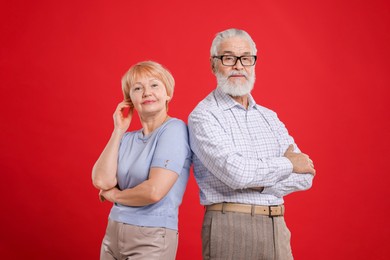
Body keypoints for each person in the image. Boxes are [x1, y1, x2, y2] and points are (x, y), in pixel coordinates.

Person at [188, 28, 316, 260]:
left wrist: (255, 178)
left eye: (246, 58)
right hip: (231, 227)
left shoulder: (269, 117)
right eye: (229, 58)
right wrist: (286, 164)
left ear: (253, 63)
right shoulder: (204, 115)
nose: (239, 66)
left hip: (277, 226)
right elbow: (236, 173)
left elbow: (305, 176)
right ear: (213, 64)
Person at [92, 61, 191, 260]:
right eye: (138, 88)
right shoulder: (126, 138)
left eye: (154, 85)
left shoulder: (174, 129)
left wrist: (114, 196)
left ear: (168, 93)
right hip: (113, 233)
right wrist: (118, 130)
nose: (146, 92)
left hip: (152, 237)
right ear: (130, 100)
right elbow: (102, 181)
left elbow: (153, 192)